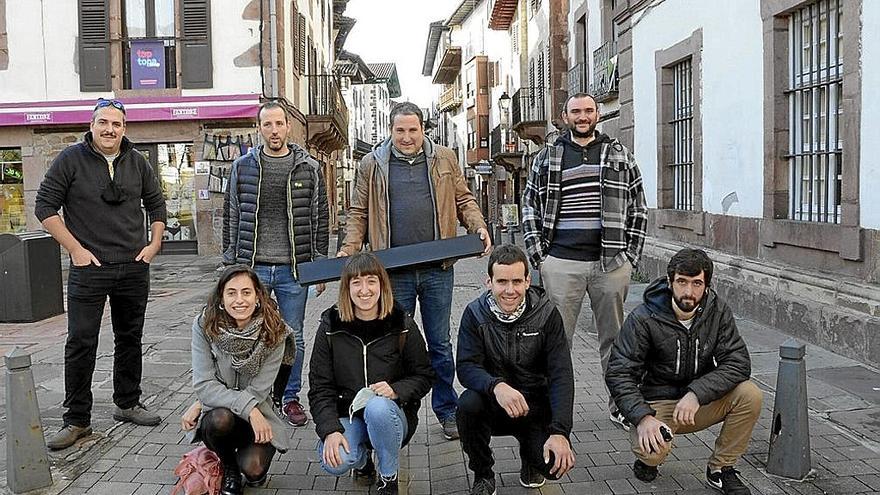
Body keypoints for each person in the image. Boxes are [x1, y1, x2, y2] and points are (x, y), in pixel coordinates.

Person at [338, 101, 490, 440]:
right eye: (400, 130)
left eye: (413, 130)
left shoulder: (446, 158)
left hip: (438, 268)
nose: (407, 137)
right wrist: (349, 248)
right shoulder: (371, 164)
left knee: (439, 343)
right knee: (394, 345)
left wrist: (478, 226)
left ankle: (447, 411)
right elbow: (359, 211)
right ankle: (395, 411)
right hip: (394, 273)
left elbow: (464, 200)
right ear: (390, 131)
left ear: (423, 129)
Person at [35, 98, 167, 450]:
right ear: (91, 125)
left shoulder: (138, 162)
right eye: (103, 123)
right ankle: (76, 420)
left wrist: (153, 246)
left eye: (117, 124)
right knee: (81, 343)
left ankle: (127, 403)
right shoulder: (69, 160)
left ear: (125, 128)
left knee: (130, 338)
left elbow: (157, 205)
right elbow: (44, 207)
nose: (110, 130)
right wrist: (75, 249)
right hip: (88, 268)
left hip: (133, 266)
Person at [522, 92, 648, 430]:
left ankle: (620, 405)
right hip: (561, 263)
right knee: (556, 341)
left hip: (610, 263)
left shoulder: (620, 155)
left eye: (588, 110)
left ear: (597, 115)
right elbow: (529, 205)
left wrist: (630, 255)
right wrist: (540, 257)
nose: (582, 116)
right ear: (564, 116)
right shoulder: (547, 156)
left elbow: (639, 207)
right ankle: (554, 410)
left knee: (617, 341)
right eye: (575, 111)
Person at [606, 248, 762, 495]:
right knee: (652, 453)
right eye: (681, 282)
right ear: (670, 282)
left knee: (749, 394)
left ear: (707, 285)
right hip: (657, 405)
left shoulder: (718, 312)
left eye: (697, 283)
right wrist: (642, 417)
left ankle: (721, 469)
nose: (689, 292)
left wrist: (696, 393)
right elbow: (619, 372)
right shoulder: (644, 317)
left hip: (696, 404)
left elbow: (738, 362)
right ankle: (647, 461)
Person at [223, 100, 329, 427]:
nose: (273, 131)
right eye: (267, 125)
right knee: (250, 333)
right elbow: (230, 215)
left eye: (278, 124)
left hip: (292, 270)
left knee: (292, 335)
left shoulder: (309, 168)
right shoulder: (243, 166)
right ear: (260, 128)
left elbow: (321, 219)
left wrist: (320, 267)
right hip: (251, 269)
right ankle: (255, 397)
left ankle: (291, 397)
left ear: (288, 127)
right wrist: (230, 263)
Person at [309, 252, 434, 495]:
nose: (364, 290)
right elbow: (319, 387)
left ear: (382, 285)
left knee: (378, 407)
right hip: (349, 414)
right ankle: (364, 462)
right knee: (334, 461)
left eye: (371, 281)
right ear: (346, 287)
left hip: (391, 416)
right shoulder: (330, 327)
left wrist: (396, 390)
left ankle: (389, 477)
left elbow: (425, 375)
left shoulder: (402, 324)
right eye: (356, 282)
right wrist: (330, 430)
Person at [456, 245, 576, 495]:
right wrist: (496, 386)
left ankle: (530, 458)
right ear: (488, 281)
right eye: (501, 282)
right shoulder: (474, 314)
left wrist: (560, 432)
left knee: (554, 467)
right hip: (493, 402)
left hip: (535, 406)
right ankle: (483, 473)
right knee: (467, 405)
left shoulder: (547, 314)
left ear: (527, 281)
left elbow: (561, 375)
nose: (510, 290)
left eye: (516, 281)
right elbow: (467, 367)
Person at [185, 265, 292, 495]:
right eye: (231, 292)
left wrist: (203, 401)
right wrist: (205, 402)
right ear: (221, 299)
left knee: (254, 471)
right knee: (219, 420)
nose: (239, 300)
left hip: (260, 411)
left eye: (246, 292)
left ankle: (240, 457)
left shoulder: (274, 331)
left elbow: (259, 390)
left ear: (258, 297)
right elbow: (204, 384)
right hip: (224, 412)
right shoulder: (205, 326)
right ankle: (228, 465)